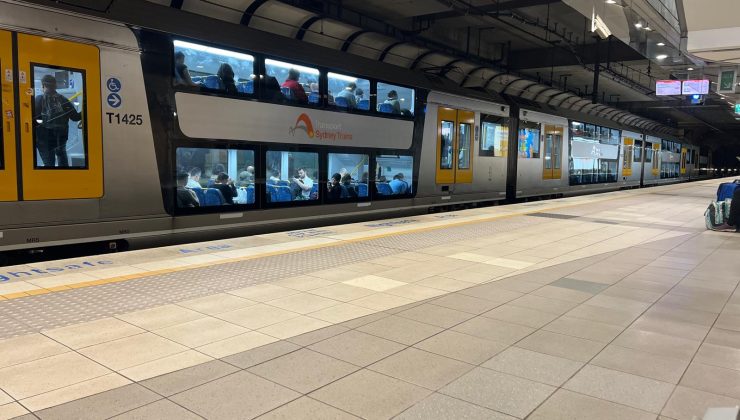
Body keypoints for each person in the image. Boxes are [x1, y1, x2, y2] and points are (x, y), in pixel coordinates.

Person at [33, 75, 82, 167]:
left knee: (49, 164)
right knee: (62, 159)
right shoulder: (63, 99)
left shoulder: (39, 99)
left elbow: (34, 121)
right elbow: (75, 117)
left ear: (43, 85)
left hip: (44, 140)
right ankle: (64, 176)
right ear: (55, 85)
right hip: (61, 138)